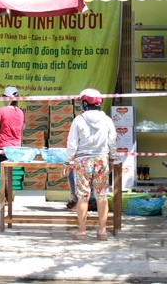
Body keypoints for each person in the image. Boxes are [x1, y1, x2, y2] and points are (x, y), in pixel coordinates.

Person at [64, 88, 117, 241]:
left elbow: (72, 144)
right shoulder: (107, 120)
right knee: (102, 196)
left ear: (85, 103)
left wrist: (67, 161)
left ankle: (81, 231)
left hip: (82, 162)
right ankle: (102, 231)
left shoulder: (79, 120)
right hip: (101, 160)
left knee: (83, 197)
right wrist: (112, 159)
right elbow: (112, 142)